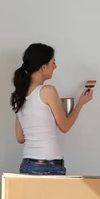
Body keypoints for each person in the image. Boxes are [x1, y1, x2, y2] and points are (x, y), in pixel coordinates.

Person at [10, 43, 93, 175]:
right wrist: (80, 103)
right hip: (48, 165)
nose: (55, 67)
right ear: (43, 67)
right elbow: (64, 127)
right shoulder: (48, 91)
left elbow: (20, 138)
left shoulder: (20, 95)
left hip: (26, 164)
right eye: (53, 62)